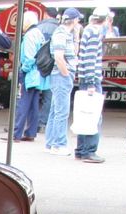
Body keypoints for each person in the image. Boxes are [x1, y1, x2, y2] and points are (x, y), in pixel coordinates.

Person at [44, 8, 80, 155]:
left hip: (60, 75)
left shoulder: (65, 34)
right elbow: (59, 56)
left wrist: (76, 36)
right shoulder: (61, 34)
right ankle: (59, 144)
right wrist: (66, 74)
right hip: (61, 76)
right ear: (75, 20)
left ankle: (50, 142)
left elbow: (73, 53)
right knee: (62, 111)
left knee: (55, 110)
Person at [74, 9, 107, 163]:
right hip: (91, 79)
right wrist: (92, 82)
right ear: (105, 19)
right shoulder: (95, 32)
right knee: (93, 116)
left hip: (85, 78)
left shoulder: (87, 30)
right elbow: (91, 58)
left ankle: (81, 149)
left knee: (83, 114)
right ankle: (89, 151)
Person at [11, 10, 46, 142]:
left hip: (29, 74)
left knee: (23, 103)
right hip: (38, 75)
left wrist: (23, 69)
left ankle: (16, 133)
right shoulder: (39, 34)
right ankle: (31, 132)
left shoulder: (29, 35)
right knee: (34, 105)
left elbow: (30, 57)